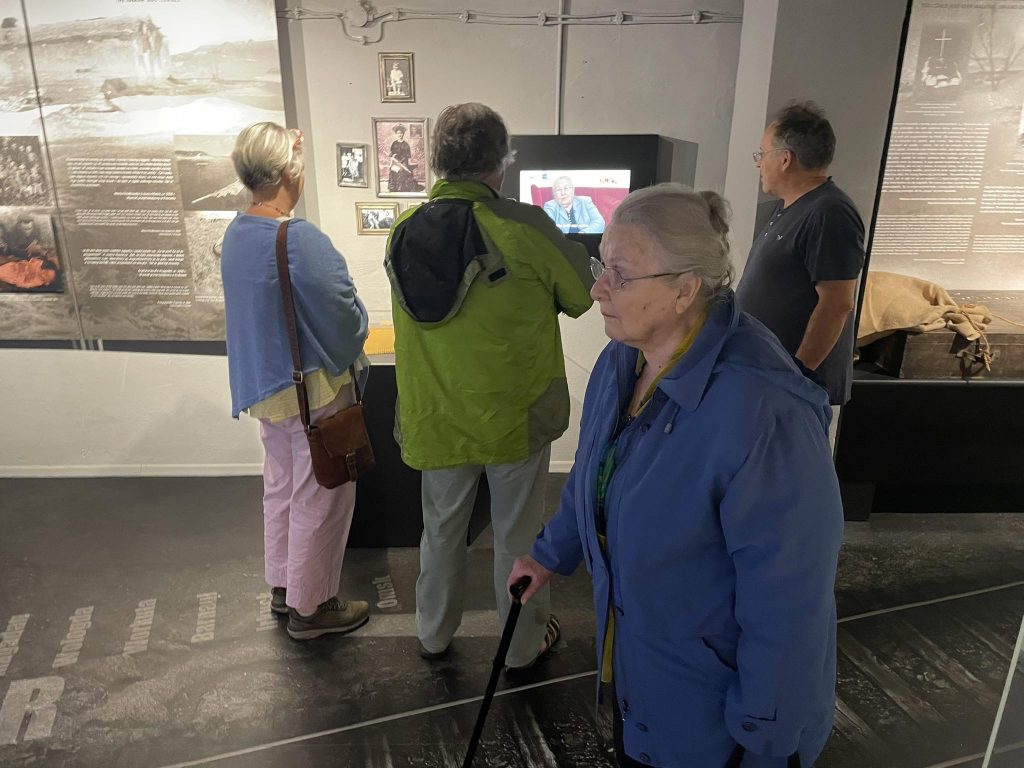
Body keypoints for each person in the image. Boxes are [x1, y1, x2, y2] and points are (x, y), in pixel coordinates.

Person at [509, 184, 843, 767]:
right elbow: (597, 471)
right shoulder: (623, 360)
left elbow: (789, 605)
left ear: (686, 289)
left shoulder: (763, 412)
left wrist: (764, 740)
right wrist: (548, 554)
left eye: (620, 274)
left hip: (719, 722)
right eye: (601, 266)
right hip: (645, 680)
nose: (597, 289)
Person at [385, 102, 594, 668]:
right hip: (513, 417)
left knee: (440, 532)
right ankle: (522, 647)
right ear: (499, 162)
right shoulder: (526, 226)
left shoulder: (402, 232)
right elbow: (581, 293)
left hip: (436, 416)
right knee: (517, 538)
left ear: (436, 160)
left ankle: (432, 633)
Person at [220, 122, 371, 640]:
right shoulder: (298, 237)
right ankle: (313, 606)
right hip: (313, 390)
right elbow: (345, 319)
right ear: (289, 173)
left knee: (282, 487)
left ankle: (286, 588)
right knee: (322, 493)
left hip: (266, 388)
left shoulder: (237, 233)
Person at [736, 101, 864, 447]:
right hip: (770, 378)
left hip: (795, 388)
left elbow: (837, 303)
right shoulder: (789, 209)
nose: (759, 163)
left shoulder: (830, 212)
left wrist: (797, 375)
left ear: (785, 158)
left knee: (784, 466)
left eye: (762, 154)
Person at [387, 125, 422, 193]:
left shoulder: (406, 144)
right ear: (396, 134)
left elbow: (408, 156)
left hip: (404, 161)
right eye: (398, 133)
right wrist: (392, 158)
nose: (400, 135)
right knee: (393, 170)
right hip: (395, 161)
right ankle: (394, 188)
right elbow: (392, 154)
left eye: (401, 133)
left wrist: (408, 164)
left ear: (403, 134)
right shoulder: (394, 143)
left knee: (402, 170)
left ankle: (401, 188)